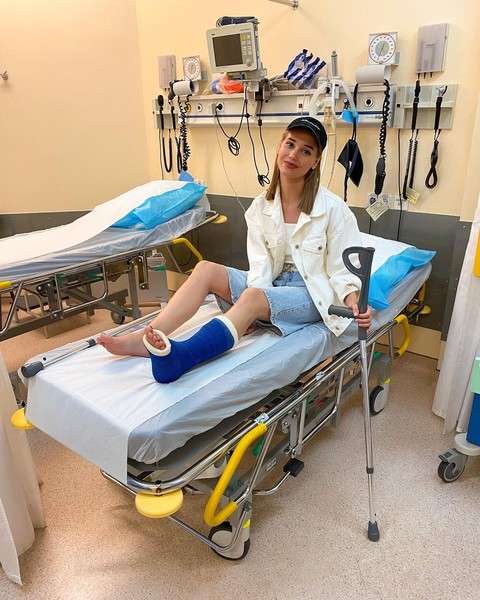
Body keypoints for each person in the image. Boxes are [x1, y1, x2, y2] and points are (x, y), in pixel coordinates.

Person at [98, 116, 372, 383]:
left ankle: (182, 357)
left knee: (252, 297)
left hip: (311, 293)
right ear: (280, 146)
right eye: (290, 144)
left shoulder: (333, 209)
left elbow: (342, 266)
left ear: (315, 162)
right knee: (206, 269)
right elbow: (261, 265)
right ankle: (146, 338)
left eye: (306, 151)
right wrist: (255, 304)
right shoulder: (260, 207)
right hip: (272, 284)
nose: (293, 154)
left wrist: (352, 300)